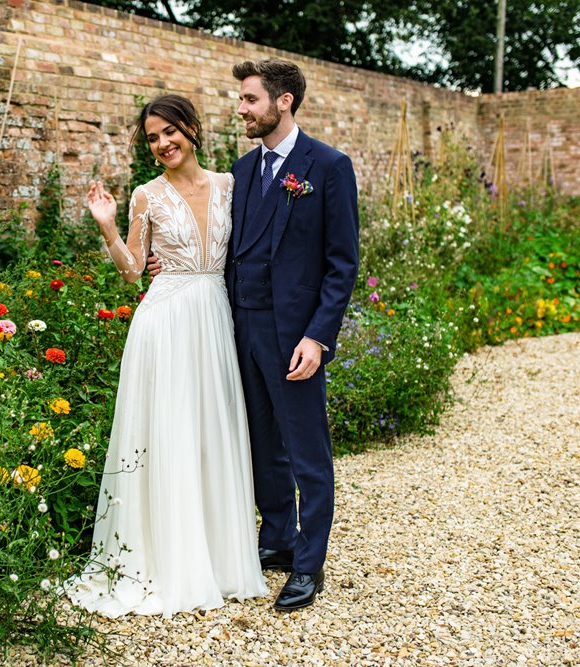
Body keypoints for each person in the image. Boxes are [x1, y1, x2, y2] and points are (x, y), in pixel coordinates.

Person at [149, 59, 359, 611]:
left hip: (295, 339)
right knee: (262, 446)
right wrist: (168, 264)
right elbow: (215, 240)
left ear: (283, 101)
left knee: (307, 452)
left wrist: (318, 337)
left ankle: (309, 566)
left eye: (249, 100)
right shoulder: (241, 172)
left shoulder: (327, 167)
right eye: (240, 100)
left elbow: (342, 265)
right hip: (238, 330)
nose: (240, 109)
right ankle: (279, 541)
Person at [65, 95, 268, 618]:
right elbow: (133, 271)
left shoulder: (231, 185)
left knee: (212, 433)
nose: (162, 144)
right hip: (166, 321)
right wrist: (108, 227)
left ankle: (219, 559)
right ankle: (170, 561)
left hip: (216, 320)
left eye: (169, 132)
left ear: (192, 128)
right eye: (152, 138)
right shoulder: (145, 195)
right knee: (171, 434)